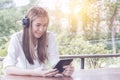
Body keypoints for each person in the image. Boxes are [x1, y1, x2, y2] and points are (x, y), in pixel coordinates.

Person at [3, 6, 74, 77]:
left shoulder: (50, 37)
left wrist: (64, 70)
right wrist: (33, 72)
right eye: (38, 25)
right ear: (27, 24)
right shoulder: (17, 38)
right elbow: (8, 68)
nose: (41, 29)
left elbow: (54, 61)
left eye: (44, 25)